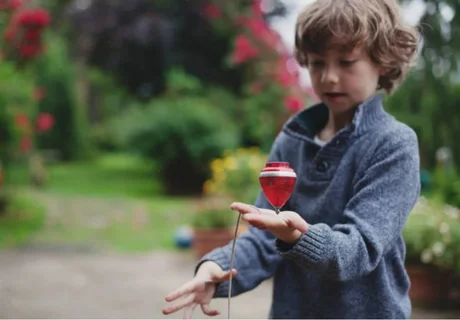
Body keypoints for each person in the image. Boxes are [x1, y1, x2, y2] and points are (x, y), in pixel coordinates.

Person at [162, 0, 421, 318]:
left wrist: (299, 235)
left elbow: (359, 250)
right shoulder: (292, 138)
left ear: (384, 61)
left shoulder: (394, 144)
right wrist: (217, 268)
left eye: (346, 62)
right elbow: (262, 237)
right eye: (316, 63)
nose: (328, 77)